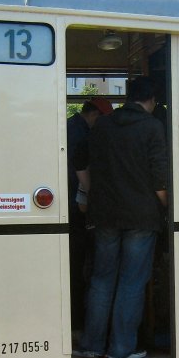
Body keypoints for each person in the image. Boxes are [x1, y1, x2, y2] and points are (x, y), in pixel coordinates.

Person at [74, 76, 168, 358]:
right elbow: (159, 178)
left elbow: (79, 159)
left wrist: (92, 193)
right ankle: (122, 348)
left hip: (104, 215)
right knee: (131, 281)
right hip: (141, 216)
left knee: (102, 279)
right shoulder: (153, 127)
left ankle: (92, 344)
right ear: (151, 99)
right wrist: (167, 208)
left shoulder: (103, 124)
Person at [67, 97, 113, 330]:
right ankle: (78, 321)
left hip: (73, 207)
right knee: (82, 267)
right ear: (95, 115)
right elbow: (80, 171)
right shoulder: (81, 134)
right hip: (76, 209)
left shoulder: (70, 127)